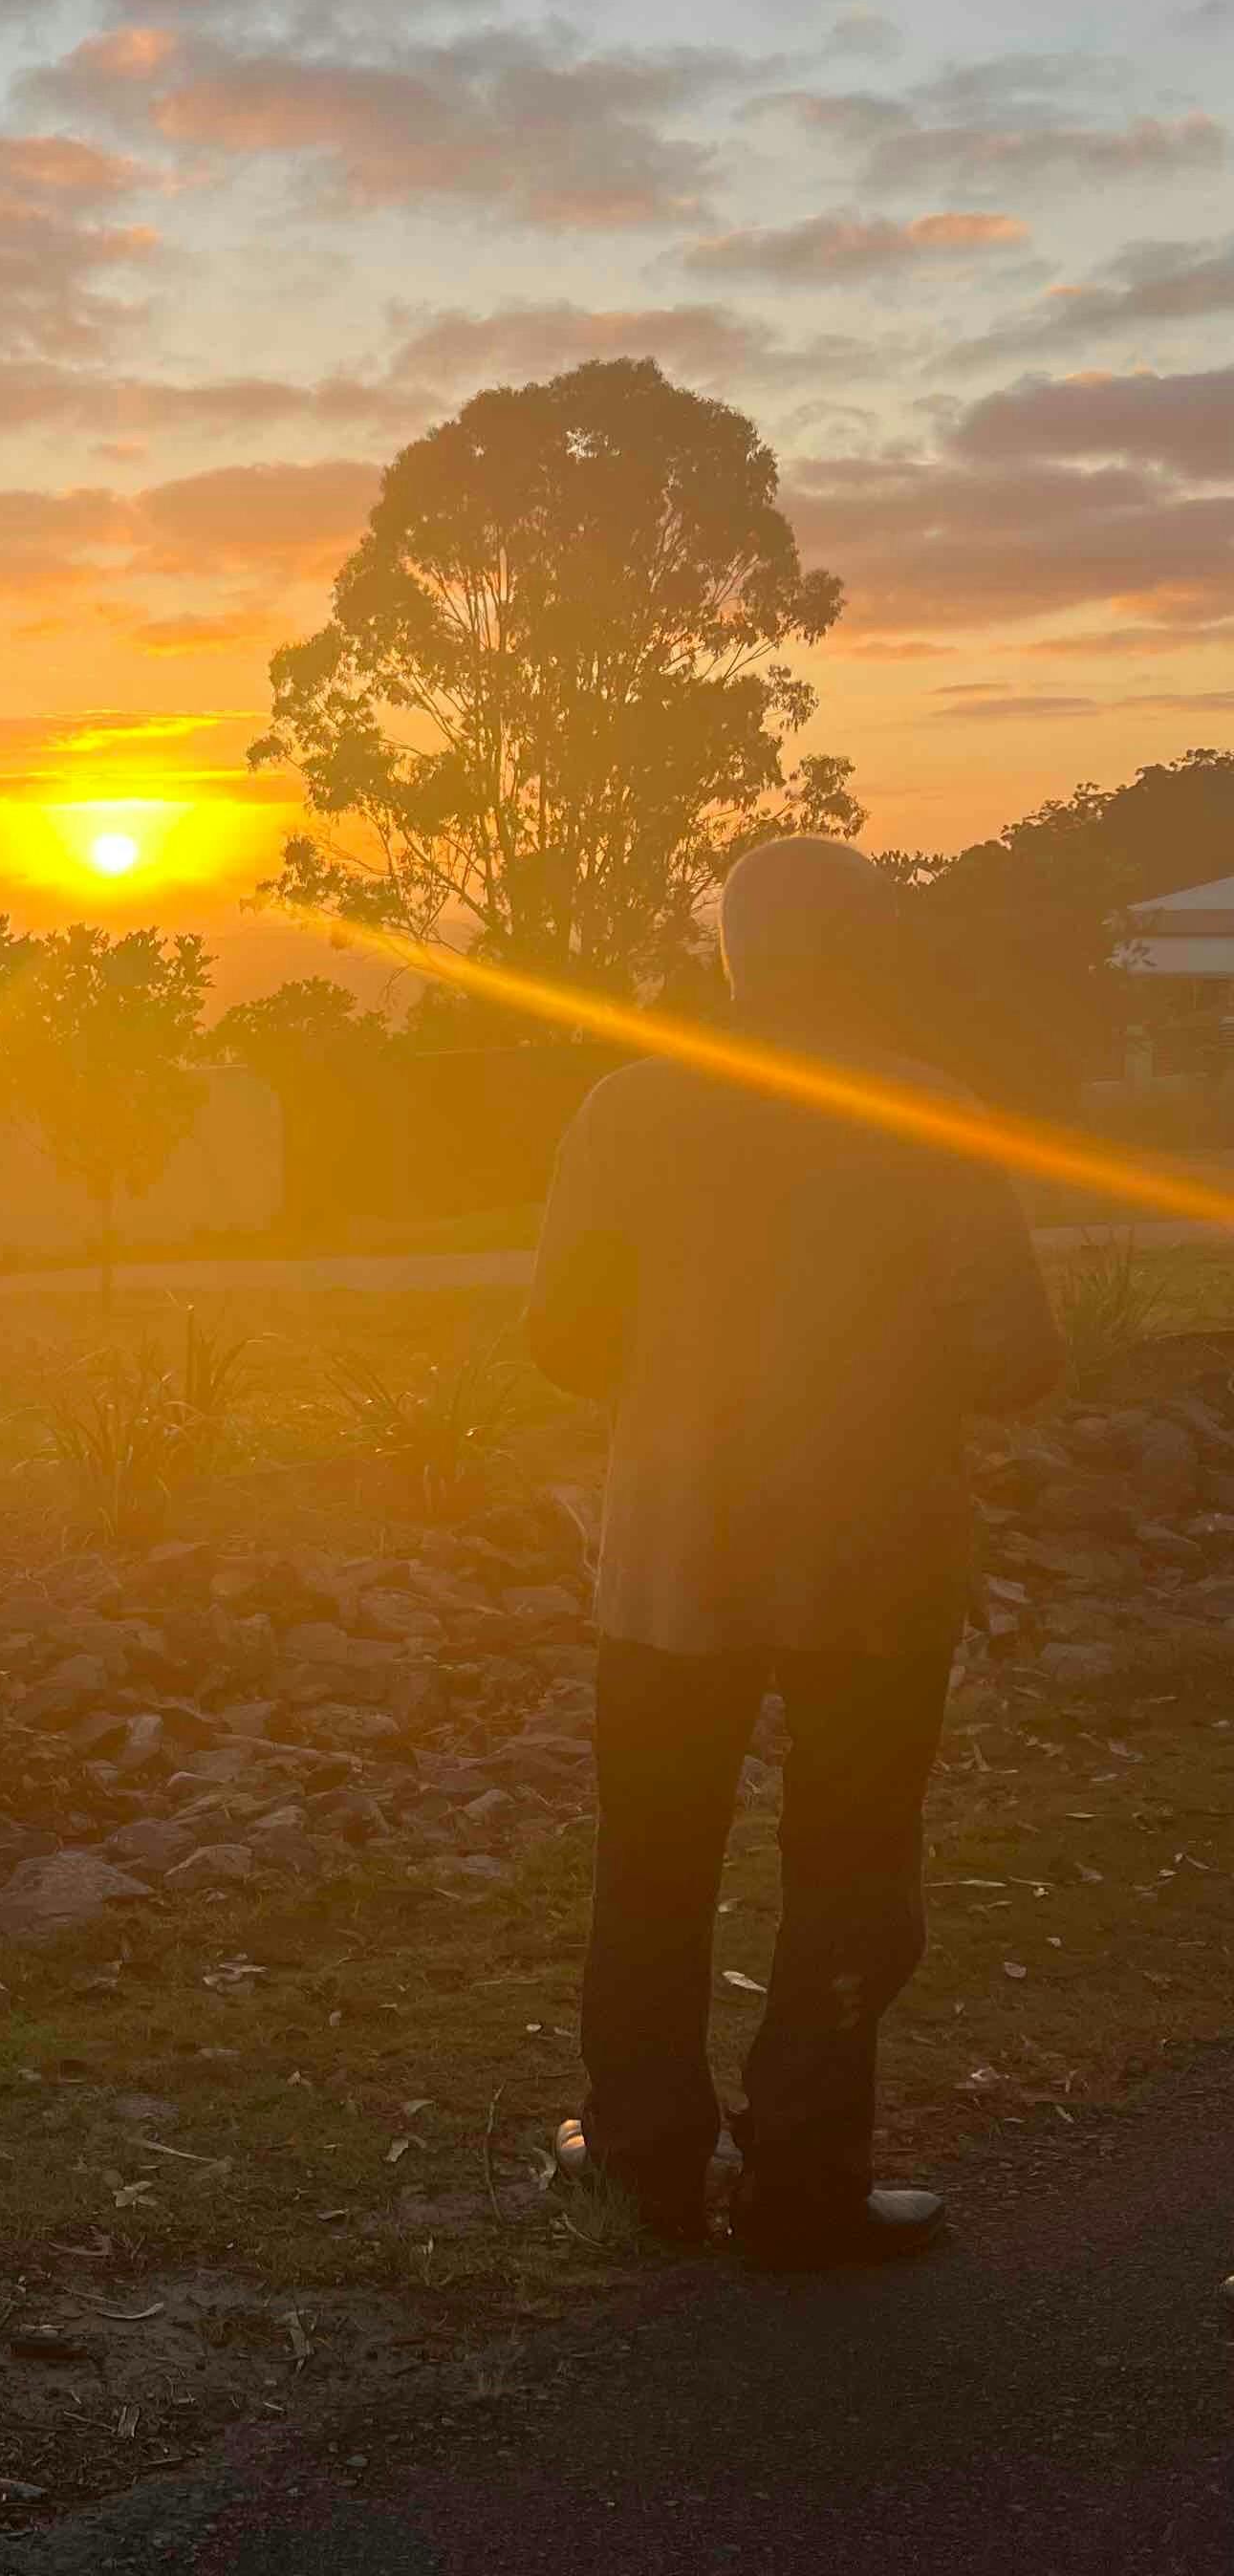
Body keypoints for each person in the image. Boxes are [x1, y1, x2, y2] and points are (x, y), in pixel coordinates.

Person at [526, 834, 1063, 2269]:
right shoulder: (932, 1115)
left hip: (669, 1560)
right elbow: (1020, 1359)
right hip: (877, 1564)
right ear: (871, 950)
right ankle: (806, 2182)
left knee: (649, 1863)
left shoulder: (626, 1106)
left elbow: (561, 1339)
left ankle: (639, 2164)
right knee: (850, 1867)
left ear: (733, 954)